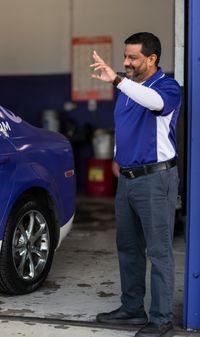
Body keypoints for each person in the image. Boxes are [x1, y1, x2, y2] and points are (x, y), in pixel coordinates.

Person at [90, 32, 181, 337]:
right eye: (125, 57)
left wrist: (117, 80)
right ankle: (131, 309)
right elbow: (124, 125)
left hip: (156, 179)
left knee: (159, 252)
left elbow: (154, 103)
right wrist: (117, 157)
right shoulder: (127, 89)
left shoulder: (166, 87)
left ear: (152, 59)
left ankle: (161, 318)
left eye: (133, 58)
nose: (126, 62)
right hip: (128, 179)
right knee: (128, 248)